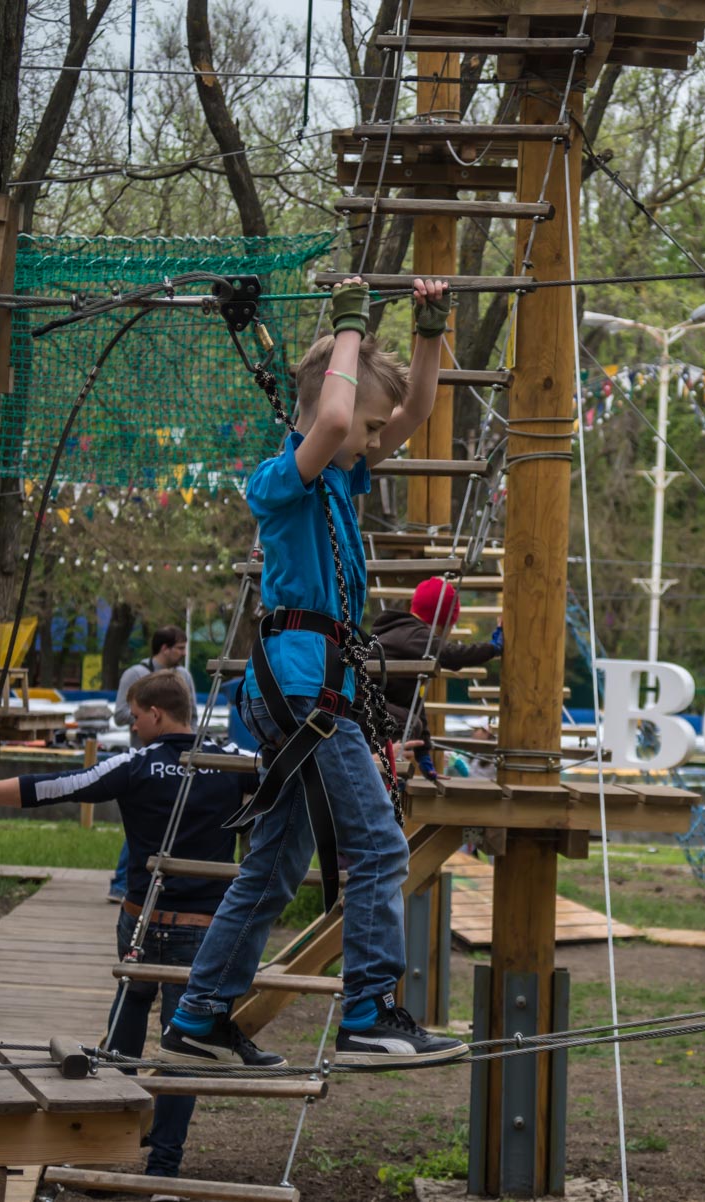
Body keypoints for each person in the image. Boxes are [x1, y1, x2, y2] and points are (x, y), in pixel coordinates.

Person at [158, 277, 467, 1068]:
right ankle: (367, 1009)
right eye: (363, 425)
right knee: (381, 847)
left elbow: (415, 415)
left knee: (273, 867)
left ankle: (197, 1018)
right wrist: (350, 324)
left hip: (311, 692)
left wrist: (429, 328)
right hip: (299, 690)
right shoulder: (283, 480)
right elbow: (334, 415)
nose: (368, 440)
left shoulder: (338, 475)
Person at [0, 672, 251, 1185]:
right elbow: (294, 783)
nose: (133, 728)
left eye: (136, 717)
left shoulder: (136, 764)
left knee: (129, 1017)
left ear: (156, 714)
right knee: (183, 1044)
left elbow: (51, 787)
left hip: (141, 922)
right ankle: (163, 1171)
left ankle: (104, 1141)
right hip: (202, 929)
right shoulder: (232, 763)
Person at [370, 577, 501, 781]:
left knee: (411, 723)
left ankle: (386, 772)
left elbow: (416, 705)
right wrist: (494, 648)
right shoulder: (416, 635)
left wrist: (425, 760)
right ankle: (384, 774)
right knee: (407, 724)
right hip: (366, 708)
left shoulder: (403, 636)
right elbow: (452, 655)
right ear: (445, 623)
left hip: (371, 708)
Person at [108, 625, 198, 902]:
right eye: (180, 648)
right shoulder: (136, 674)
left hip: (179, 756)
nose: (184, 654)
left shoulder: (183, 676)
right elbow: (121, 714)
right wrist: (148, 714)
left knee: (166, 819)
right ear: (164, 648)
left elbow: (190, 713)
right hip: (146, 756)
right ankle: (122, 882)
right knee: (144, 820)